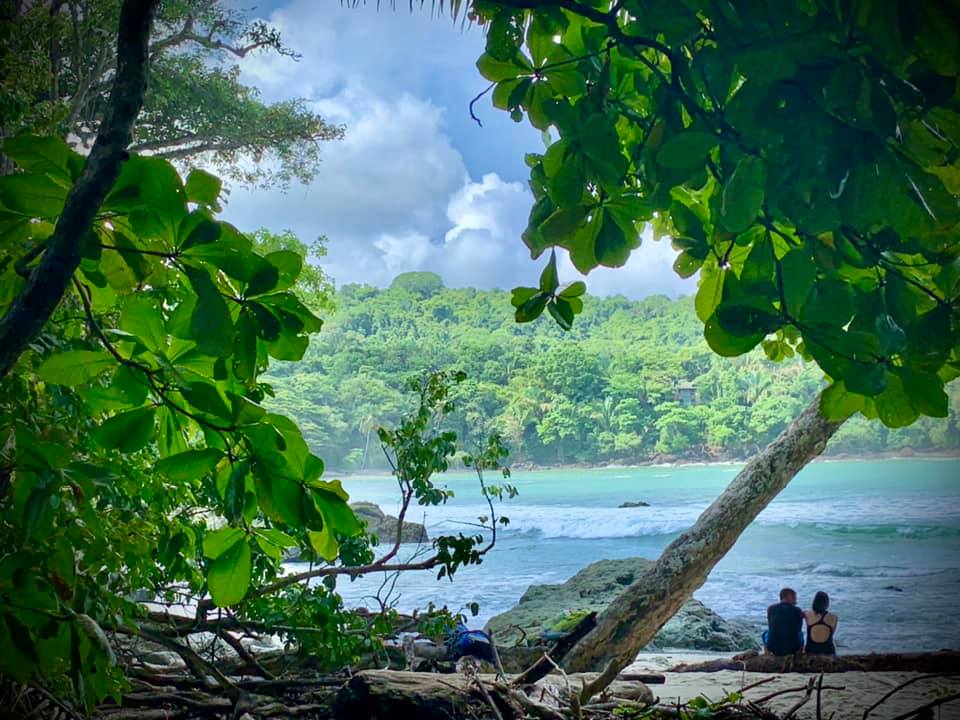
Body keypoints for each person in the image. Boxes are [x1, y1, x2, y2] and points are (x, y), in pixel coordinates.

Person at [764, 587, 804, 655]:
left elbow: (771, 626)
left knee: (765, 633)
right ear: (789, 597)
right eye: (794, 598)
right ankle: (800, 653)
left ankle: (767, 654)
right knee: (801, 634)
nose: (795, 601)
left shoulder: (770, 609)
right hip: (793, 648)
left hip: (774, 647)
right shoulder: (797, 610)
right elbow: (798, 629)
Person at [804, 591, 838, 655]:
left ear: (814, 602)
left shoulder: (807, 614)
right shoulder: (834, 617)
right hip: (828, 651)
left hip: (811, 650)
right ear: (827, 603)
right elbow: (831, 634)